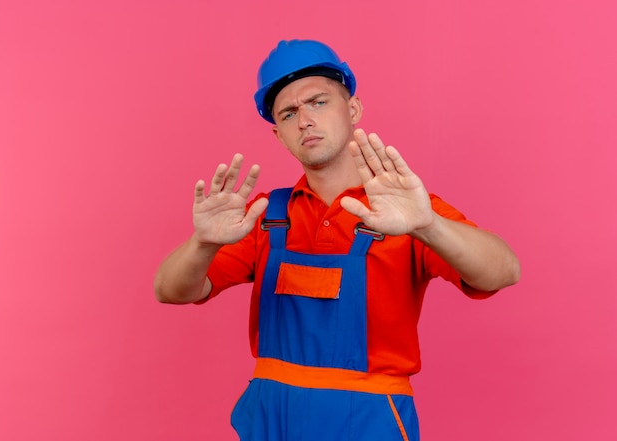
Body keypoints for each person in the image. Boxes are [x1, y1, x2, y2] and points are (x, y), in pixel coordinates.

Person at [154, 39, 520, 441]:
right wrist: (202, 244)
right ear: (279, 135)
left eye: (318, 102)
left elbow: (502, 271)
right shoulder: (264, 216)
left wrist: (426, 225)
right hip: (273, 415)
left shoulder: (406, 211)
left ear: (354, 110)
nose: (304, 120)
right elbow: (170, 290)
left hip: (369, 418)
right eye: (289, 113)